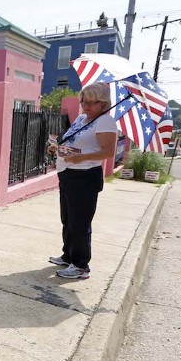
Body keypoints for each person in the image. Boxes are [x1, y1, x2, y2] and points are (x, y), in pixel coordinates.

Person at [47, 82, 118, 280]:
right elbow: (74, 143)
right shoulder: (82, 118)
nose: (86, 106)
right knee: (68, 219)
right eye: (83, 101)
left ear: (103, 103)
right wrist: (58, 148)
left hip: (84, 176)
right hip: (69, 173)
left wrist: (80, 157)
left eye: (91, 103)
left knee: (80, 222)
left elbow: (107, 151)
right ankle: (68, 255)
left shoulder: (105, 121)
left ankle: (80, 265)